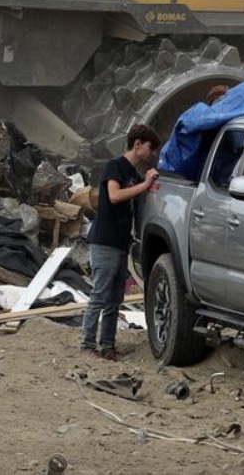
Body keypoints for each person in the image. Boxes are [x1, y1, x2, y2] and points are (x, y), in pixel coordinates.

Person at [80, 123, 161, 360]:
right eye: (150, 148)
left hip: (119, 244)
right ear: (137, 144)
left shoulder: (133, 175)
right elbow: (115, 196)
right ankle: (86, 344)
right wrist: (144, 185)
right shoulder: (114, 167)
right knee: (100, 294)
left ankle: (107, 346)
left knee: (114, 299)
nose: (153, 154)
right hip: (104, 241)